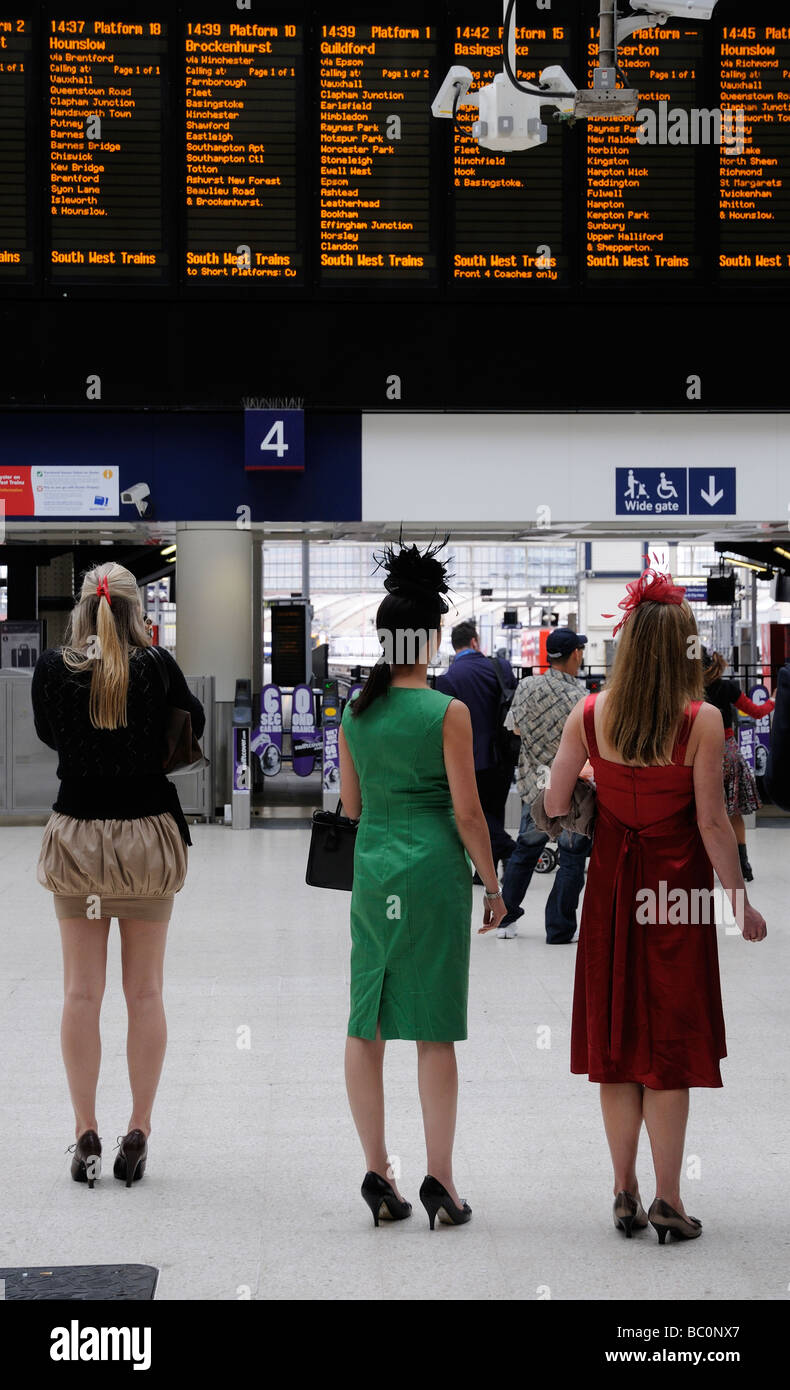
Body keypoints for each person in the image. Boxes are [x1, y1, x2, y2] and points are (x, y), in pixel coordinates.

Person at [533, 568, 766, 1244]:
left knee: (616, 1041)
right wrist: (738, 900)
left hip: (610, 890)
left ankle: (624, 1192)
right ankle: (669, 1198)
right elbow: (714, 823)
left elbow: (551, 806)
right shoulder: (703, 721)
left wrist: (588, 777)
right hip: (677, 896)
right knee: (667, 1044)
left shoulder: (591, 713)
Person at [338, 535, 507, 1230]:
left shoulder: (356, 711)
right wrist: (494, 887)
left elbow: (350, 809)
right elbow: (468, 813)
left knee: (367, 1019)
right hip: (435, 870)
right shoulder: (448, 713)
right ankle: (441, 1179)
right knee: (433, 1028)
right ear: (433, 637)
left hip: (374, 869)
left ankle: (379, 1172)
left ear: (384, 638)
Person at [31, 562, 205, 1189]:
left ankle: (85, 1131)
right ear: (139, 612)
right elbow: (192, 730)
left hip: (78, 836)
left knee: (82, 993)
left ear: (83, 608)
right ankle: (138, 1129)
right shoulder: (157, 665)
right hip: (146, 839)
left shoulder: (53, 669)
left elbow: (50, 733)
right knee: (145, 993)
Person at [497, 627, 590, 943]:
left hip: (534, 783)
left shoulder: (526, 686)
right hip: (572, 789)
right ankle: (559, 929)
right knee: (572, 856)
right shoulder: (581, 698)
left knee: (525, 850)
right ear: (575, 654)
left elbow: (516, 730)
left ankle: (504, 919)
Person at [434, 620, 516, 878]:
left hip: (469, 758)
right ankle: (494, 867)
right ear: (474, 642)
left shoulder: (447, 679)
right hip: (503, 755)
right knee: (495, 810)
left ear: (454, 646)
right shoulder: (500, 667)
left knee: (475, 811)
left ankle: (501, 852)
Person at [702, 649, 775, 881]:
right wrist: (772, 700)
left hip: (703, 754)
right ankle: (744, 866)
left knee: (703, 813)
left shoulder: (688, 691)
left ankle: (703, 865)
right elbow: (755, 712)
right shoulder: (728, 687)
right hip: (729, 752)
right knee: (733, 813)